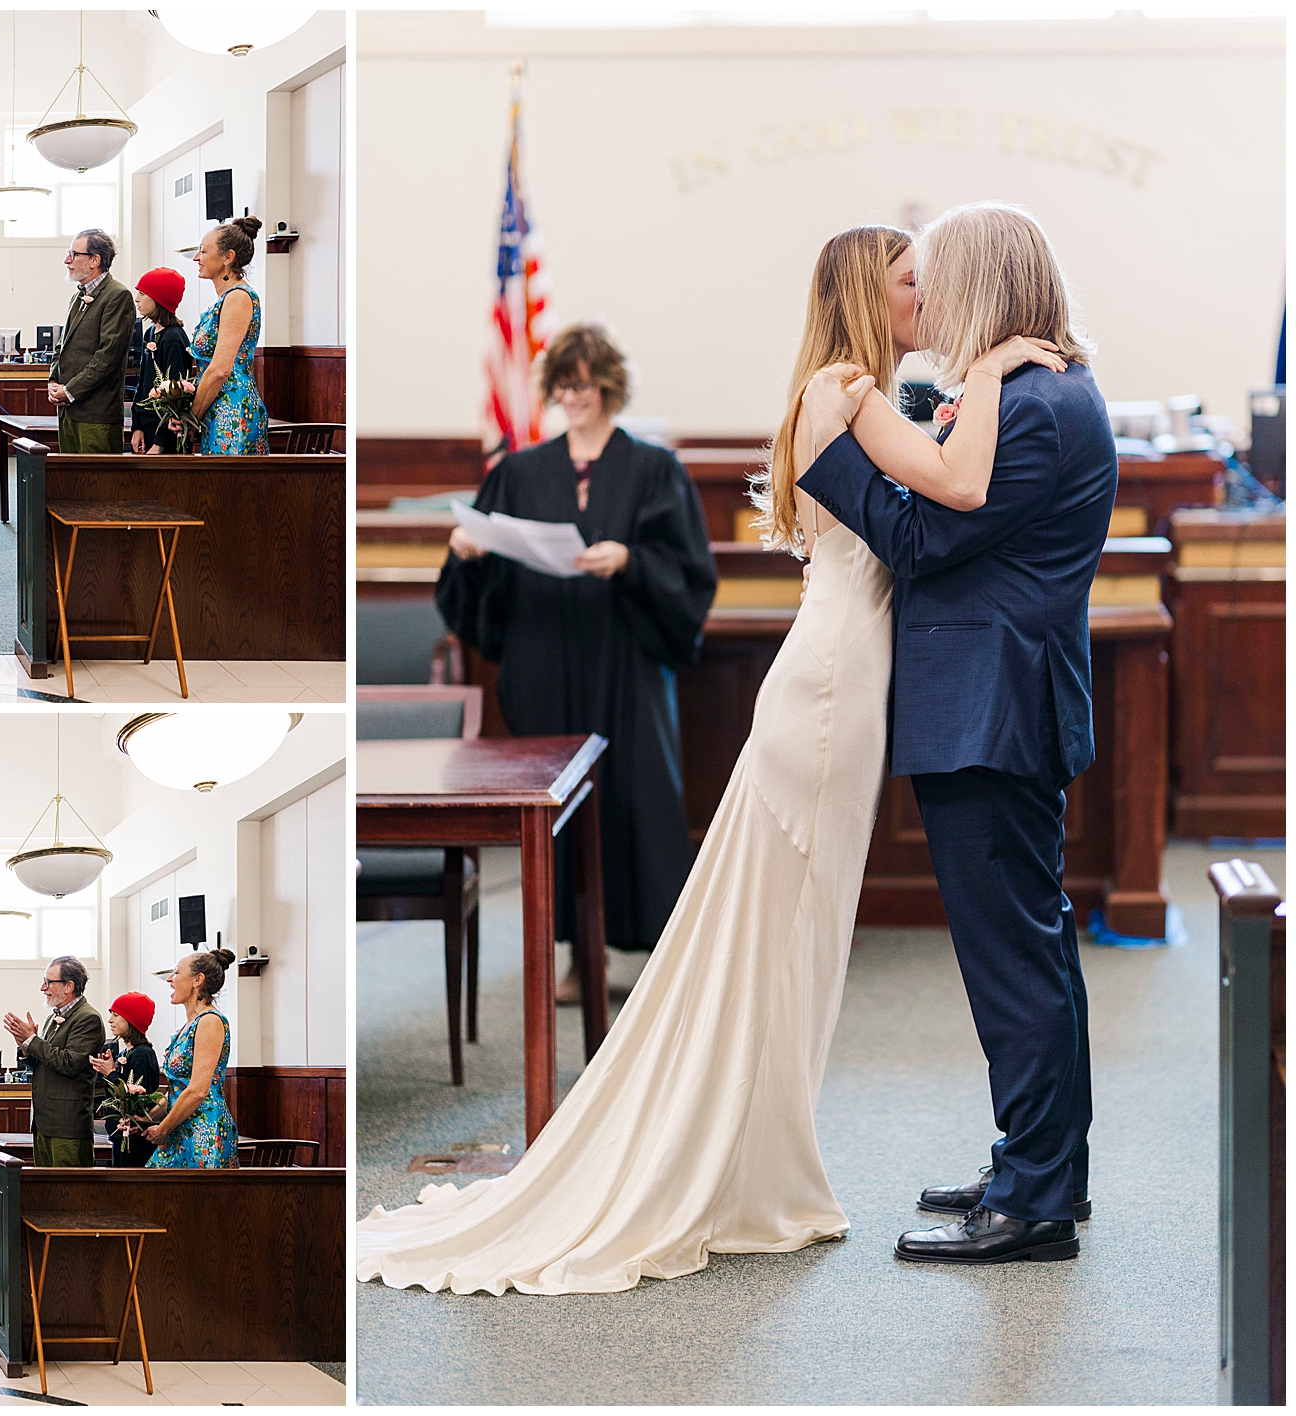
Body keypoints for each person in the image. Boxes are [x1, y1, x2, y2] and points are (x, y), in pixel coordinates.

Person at [356, 222, 1067, 1295]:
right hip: (825, 701)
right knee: (773, 940)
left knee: (793, 944)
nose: (928, 293)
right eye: (909, 281)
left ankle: (761, 1158)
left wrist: (975, 375)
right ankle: (733, 1170)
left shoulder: (874, 390)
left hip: (844, 694)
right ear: (863, 296)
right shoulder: (840, 392)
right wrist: (992, 365)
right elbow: (948, 499)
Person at [798, 201, 1109, 1266]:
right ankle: (1037, 1167)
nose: (916, 298)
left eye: (930, 279)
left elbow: (925, 540)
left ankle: (1032, 1198)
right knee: (1028, 950)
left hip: (991, 708)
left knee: (1011, 961)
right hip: (994, 702)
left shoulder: (1030, 403)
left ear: (981, 280)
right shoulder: (1027, 390)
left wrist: (829, 456)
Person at [438, 322, 718, 989]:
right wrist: (467, 554)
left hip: (627, 655)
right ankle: (574, 954)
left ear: (610, 385)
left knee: (639, 796)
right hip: (543, 653)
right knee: (556, 811)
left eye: (587, 381)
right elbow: (481, 579)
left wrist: (631, 559)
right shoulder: (519, 471)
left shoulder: (655, 468)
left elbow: (689, 568)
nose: (575, 393)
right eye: (565, 381)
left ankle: (658, 958)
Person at [136, 951, 239, 1169]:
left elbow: (198, 1090)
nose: (170, 979)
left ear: (197, 980)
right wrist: (147, 1116)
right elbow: (178, 1088)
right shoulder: (187, 1026)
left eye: (176, 972)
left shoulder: (210, 1021)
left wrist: (163, 1128)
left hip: (204, 1131)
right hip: (179, 1126)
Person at [2, 956, 105, 1166]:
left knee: (70, 1193)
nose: (43, 987)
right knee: (47, 1191)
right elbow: (45, 1064)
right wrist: (25, 1047)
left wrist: (32, 1040)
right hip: (44, 1121)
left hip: (67, 1124)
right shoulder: (52, 1017)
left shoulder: (88, 1018)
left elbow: (69, 1063)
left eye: (49, 982)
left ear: (69, 986)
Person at [184, 217, 269, 454]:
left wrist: (191, 417)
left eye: (203, 251)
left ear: (227, 257)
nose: (196, 258)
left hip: (233, 411)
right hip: (217, 407)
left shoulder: (238, 297)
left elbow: (221, 369)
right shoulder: (225, 299)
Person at [47, 229, 136, 453]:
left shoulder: (117, 296)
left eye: (74, 254)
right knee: (72, 483)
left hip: (96, 414)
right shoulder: (77, 296)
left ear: (94, 260)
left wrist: (70, 390)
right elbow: (62, 345)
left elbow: (107, 357)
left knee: (98, 485)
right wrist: (54, 380)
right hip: (68, 409)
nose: (67, 260)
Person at [88, 991, 164, 1167]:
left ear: (132, 1020)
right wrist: (109, 1070)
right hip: (122, 1134)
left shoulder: (142, 1054)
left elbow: (135, 1100)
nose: (110, 1020)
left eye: (116, 1015)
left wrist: (111, 1074)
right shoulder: (127, 1053)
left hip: (135, 1138)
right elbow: (115, 1097)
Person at [130, 269, 193, 454]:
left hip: (166, 434)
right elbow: (143, 385)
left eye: (142, 293)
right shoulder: (150, 333)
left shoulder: (173, 338)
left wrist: (160, 442)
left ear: (159, 299)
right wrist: (137, 426)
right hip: (148, 425)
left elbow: (176, 396)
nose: (136, 299)